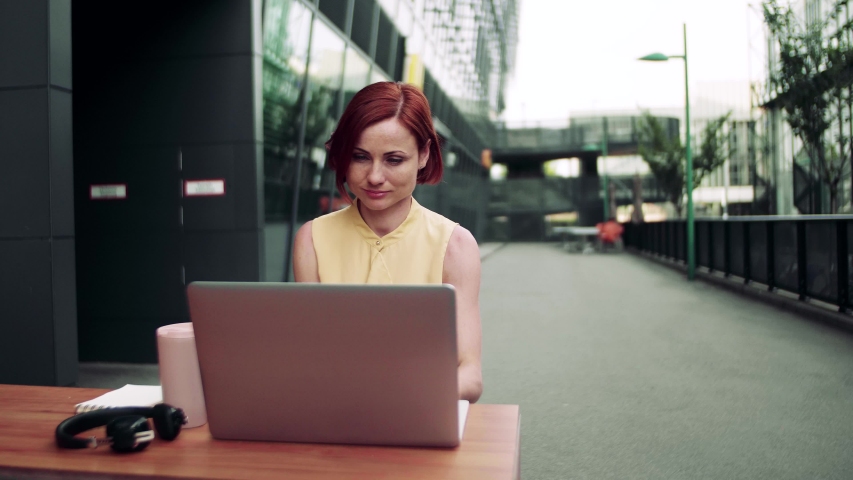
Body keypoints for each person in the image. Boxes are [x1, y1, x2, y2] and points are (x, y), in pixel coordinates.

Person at [292, 82, 483, 403]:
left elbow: (471, 376)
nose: (375, 176)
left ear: (423, 154)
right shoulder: (312, 238)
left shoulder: (456, 245)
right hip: (336, 413)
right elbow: (310, 357)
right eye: (359, 157)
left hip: (421, 411)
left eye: (394, 160)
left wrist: (396, 394)